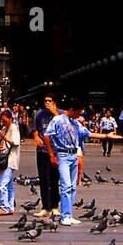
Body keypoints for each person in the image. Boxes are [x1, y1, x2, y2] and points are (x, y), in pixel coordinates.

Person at [43, 95, 87, 226]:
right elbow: (47, 135)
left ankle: (69, 214)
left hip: (74, 155)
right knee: (66, 185)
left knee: (72, 187)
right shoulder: (58, 120)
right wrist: (51, 155)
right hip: (62, 155)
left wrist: (106, 136)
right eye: (78, 113)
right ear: (72, 109)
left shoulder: (75, 123)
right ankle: (64, 216)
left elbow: (88, 133)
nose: (79, 116)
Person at [33, 91, 61, 218]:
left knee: (55, 179)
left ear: (55, 102)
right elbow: (35, 130)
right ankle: (46, 207)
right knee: (44, 179)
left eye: (49, 101)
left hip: (57, 151)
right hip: (43, 151)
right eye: (45, 101)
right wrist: (36, 138)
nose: (47, 103)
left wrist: (55, 113)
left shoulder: (61, 114)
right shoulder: (40, 115)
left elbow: (66, 126)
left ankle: (55, 206)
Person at [0, 107, 21, 214]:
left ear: (10, 119)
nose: (3, 122)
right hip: (6, 159)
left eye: (5, 120)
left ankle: (4, 207)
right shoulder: (5, 128)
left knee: (2, 185)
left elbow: (16, 142)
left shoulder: (13, 128)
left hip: (10, 159)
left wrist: (5, 138)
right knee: (9, 185)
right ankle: (10, 207)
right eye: (2, 120)